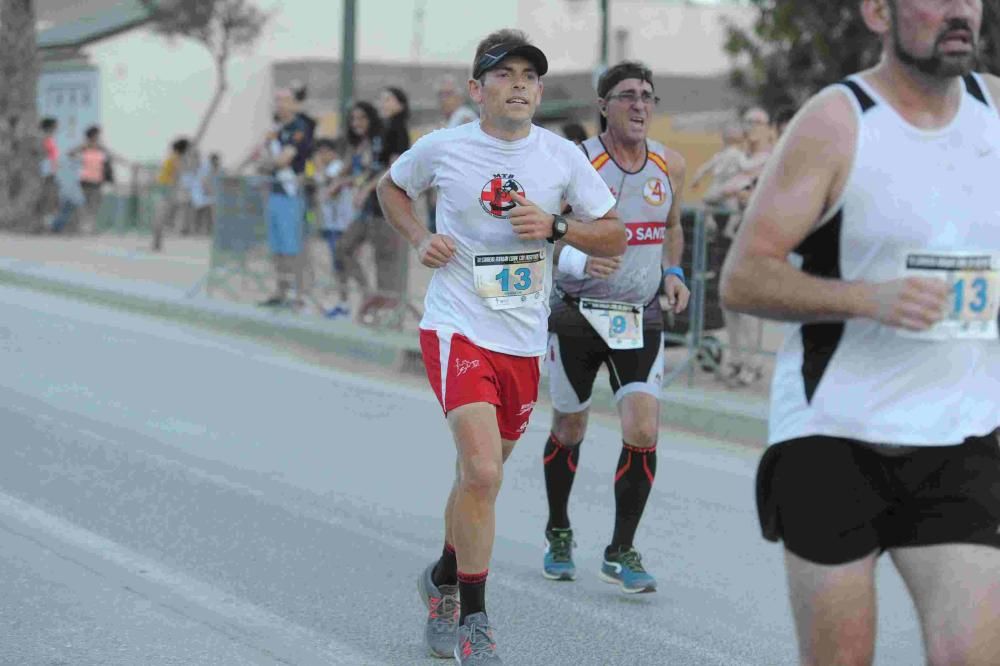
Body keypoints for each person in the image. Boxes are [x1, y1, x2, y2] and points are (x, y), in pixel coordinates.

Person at [720, 1, 1000, 664]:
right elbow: (743, 277)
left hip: (960, 434)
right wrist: (866, 299)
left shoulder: (995, 112)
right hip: (835, 433)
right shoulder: (838, 122)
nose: (962, 10)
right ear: (879, 12)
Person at [377, 29, 626, 664]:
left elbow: (614, 235)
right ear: (476, 89)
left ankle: (441, 577)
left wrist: (558, 227)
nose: (519, 85)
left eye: (530, 76)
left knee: (479, 479)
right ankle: (473, 618)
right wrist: (417, 238)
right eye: (505, 74)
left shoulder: (562, 156)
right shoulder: (445, 147)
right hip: (457, 325)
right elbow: (391, 188)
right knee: (483, 471)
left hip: (521, 337)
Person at [540, 61, 690, 594]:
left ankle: (620, 550)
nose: (639, 105)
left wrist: (673, 272)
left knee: (644, 430)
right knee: (568, 428)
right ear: (603, 105)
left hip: (639, 316)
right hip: (577, 315)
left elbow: (671, 228)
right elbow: (540, 235)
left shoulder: (669, 165)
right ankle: (559, 529)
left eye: (647, 96)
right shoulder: (575, 163)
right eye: (626, 95)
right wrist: (580, 261)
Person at [355, 87, 413, 324]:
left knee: (391, 260)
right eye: (381, 98)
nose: (383, 102)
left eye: (388, 99)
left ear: (400, 104)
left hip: (390, 204)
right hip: (378, 205)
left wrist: (368, 187)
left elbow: (394, 168)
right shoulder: (384, 130)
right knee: (381, 259)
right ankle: (383, 309)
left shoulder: (398, 130)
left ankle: (393, 313)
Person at [258, 88, 313, 307]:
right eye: (277, 100)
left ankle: (298, 294)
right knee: (277, 246)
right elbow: (264, 156)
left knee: (292, 246)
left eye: (284, 101)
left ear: (293, 104)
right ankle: (280, 290)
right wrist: (268, 162)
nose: (279, 105)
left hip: (291, 193)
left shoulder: (299, 127)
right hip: (275, 192)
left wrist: (268, 163)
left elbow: (283, 160)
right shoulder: (276, 130)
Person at [331, 101, 383, 319]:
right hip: (361, 210)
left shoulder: (377, 142)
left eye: (361, 118)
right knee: (343, 248)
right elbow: (352, 172)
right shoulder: (357, 145)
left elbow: (378, 171)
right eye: (353, 119)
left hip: (378, 209)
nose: (356, 123)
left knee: (379, 261)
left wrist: (348, 183)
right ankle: (367, 294)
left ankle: (379, 309)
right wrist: (339, 181)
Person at [311, 138, 353, 314]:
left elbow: (330, 183)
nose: (321, 156)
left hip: (341, 224)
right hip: (330, 224)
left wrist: (319, 166)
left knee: (341, 265)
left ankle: (346, 302)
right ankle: (341, 302)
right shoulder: (326, 169)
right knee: (336, 265)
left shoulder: (336, 166)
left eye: (324, 152)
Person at [66, 125, 125, 234]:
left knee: (95, 204)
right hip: (86, 179)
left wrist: (126, 163)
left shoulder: (99, 147)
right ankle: (85, 227)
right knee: (88, 204)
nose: (99, 136)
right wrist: (79, 159)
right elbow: (70, 153)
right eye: (98, 134)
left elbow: (114, 156)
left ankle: (90, 227)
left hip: (97, 179)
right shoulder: (85, 147)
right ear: (93, 135)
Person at [152, 138, 195, 252]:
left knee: (161, 215)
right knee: (162, 216)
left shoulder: (172, 158)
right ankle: (157, 242)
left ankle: (157, 242)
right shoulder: (176, 159)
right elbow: (177, 176)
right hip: (167, 188)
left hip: (164, 187)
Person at [690, 122, 745, 209]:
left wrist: (695, 180)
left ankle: (709, 221)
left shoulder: (719, 155)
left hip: (714, 190)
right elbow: (747, 168)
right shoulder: (740, 155)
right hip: (729, 191)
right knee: (734, 211)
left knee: (706, 206)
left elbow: (703, 169)